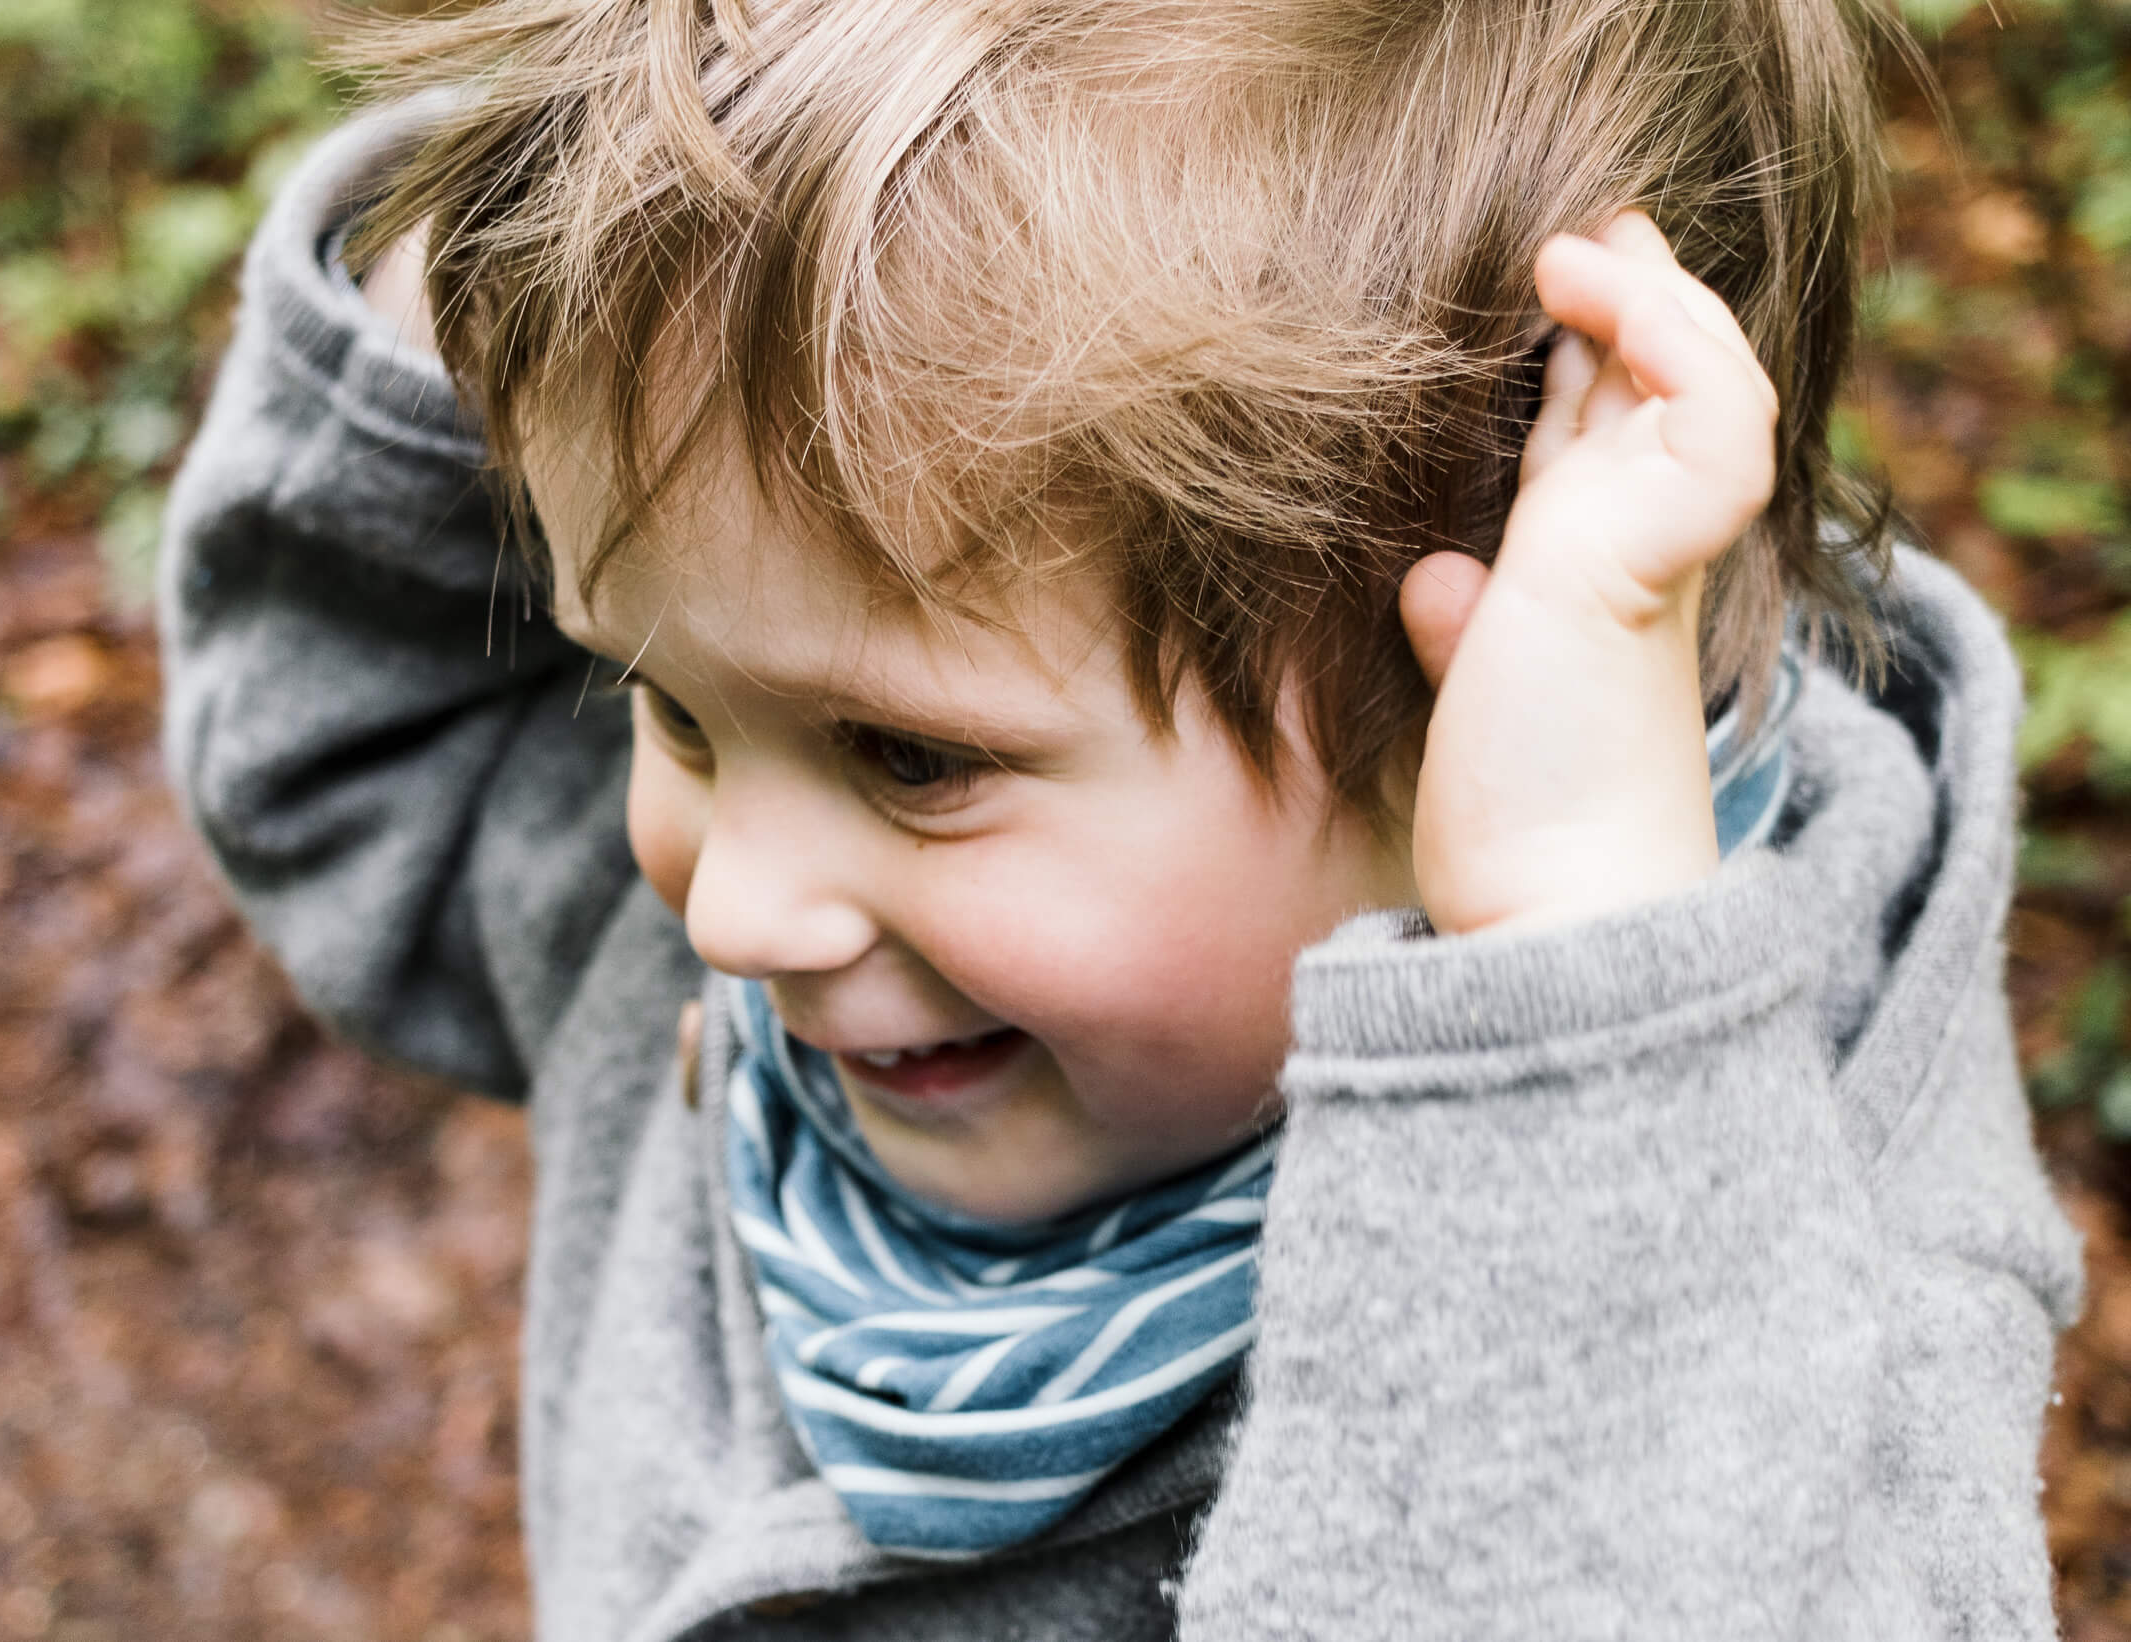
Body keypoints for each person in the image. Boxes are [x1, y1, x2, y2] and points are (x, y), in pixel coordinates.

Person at [159, 0, 2085, 1633]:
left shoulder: (1795, 1287)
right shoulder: (771, 935)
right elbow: (353, 783)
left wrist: (1572, 983)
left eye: (913, 759)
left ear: (1477, 696)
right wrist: (562, 213)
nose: (733, 909)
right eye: (660, 700)